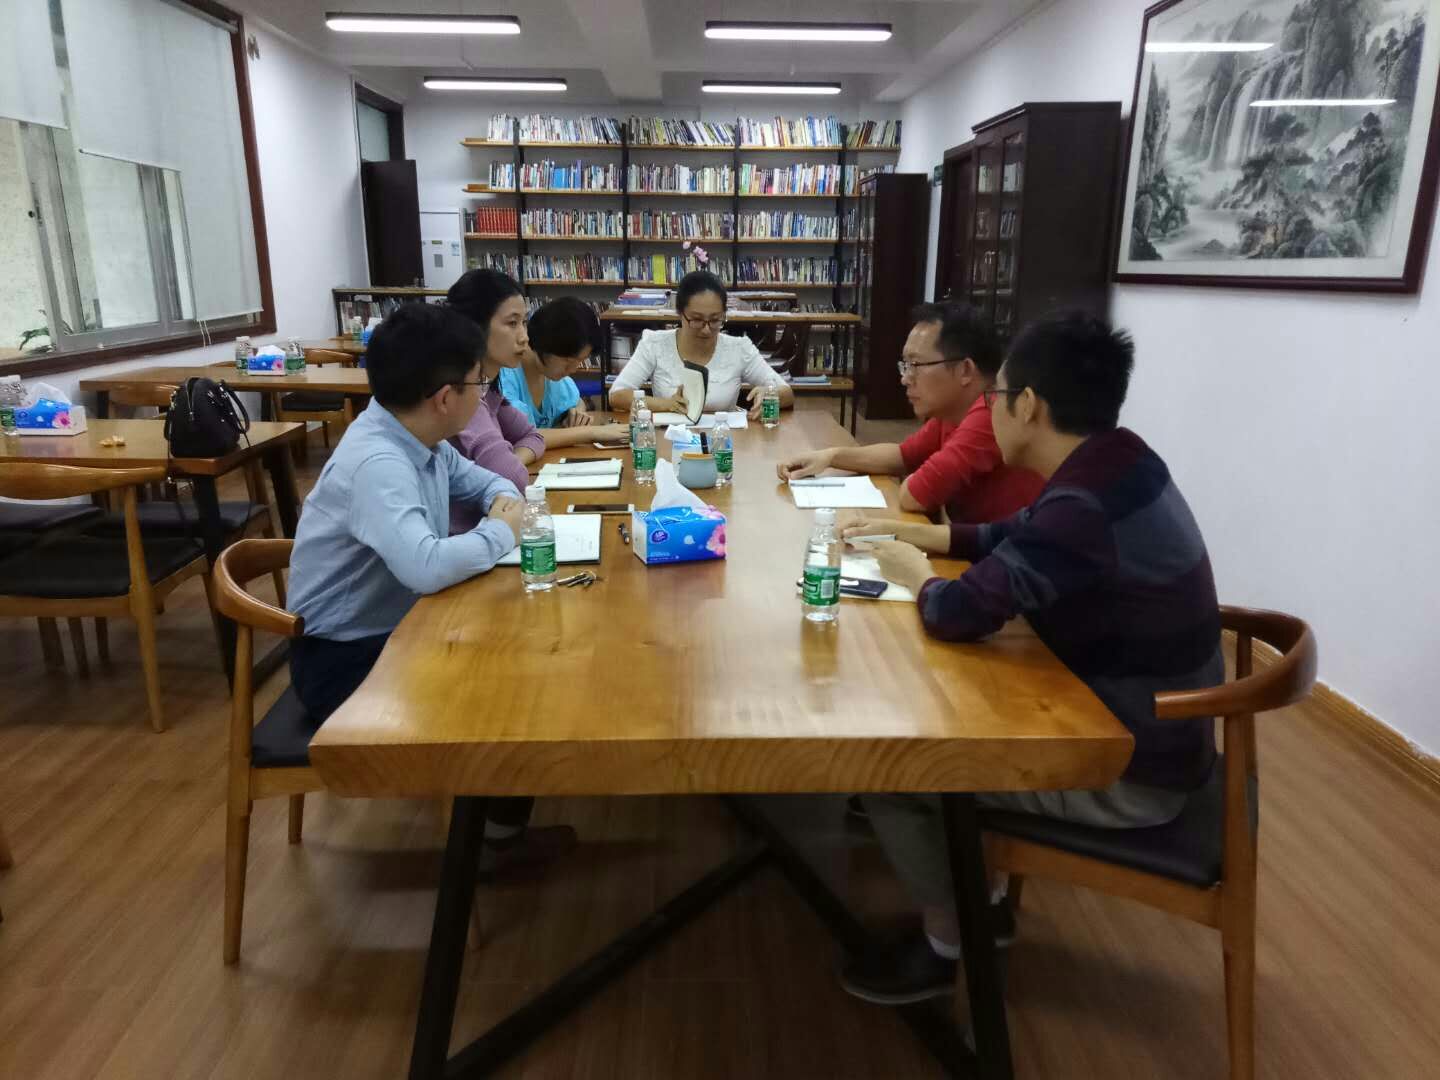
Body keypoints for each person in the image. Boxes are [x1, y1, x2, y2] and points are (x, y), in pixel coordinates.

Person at [839, 312, 1224, 1005]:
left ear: (1029, 406)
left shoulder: (1082, 505)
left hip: (1125, 767)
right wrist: (923, 537)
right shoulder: (1120, 460)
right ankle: (980, 902)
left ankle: (949, 943)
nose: (987, 409)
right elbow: (1019, 533)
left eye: (996, 395)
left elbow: (956, 613)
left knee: (892, 767)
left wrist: (912, 573)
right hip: (1151, 729)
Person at [285, 301, 574, 874]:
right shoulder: (379, 461)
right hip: (342, 659)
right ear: (445, 397)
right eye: (479, 384)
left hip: (393, 630)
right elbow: (425, 566)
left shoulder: (420, 438)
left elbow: (491, 482)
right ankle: (487, 842)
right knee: (509, 678)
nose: (483, 395)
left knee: (517, 647)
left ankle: (494, 819)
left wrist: (501, 504)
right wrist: (502, 529)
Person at [777, 303, 1043, 541]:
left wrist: (923, 479)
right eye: (905, 365)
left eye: (916, 365)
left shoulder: (991, 414)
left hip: (1010, 562)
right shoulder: (952, 412)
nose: (905, 378)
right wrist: (830, 456)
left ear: (965, 370)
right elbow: (902, 455)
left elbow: (914, 494)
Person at [609, 270, 795, 420]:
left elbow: (787, 393)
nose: (706, 330)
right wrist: (665, 404)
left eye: (715, 320)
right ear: (680, 314)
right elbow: (617, 395)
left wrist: (770, 393)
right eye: (697, 320)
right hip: (669, 439)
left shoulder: (739, 348)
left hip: (724, 441)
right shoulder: (655, 344)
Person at [445, 269, 547, 531]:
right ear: (475, 326)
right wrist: (504, 466)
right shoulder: (461, 393)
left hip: (483, 527)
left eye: (524, 323)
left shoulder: (487, 390)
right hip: (459, 534)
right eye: (512, 324)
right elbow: (513, 478)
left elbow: (533, 436)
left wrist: (508, 460)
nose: (524, 337)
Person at [501, 297, 629, 449]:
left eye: (580, 361)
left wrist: (576, 413)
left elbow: (577, 401)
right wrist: (590, 432)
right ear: (547, 345)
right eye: (568, 361)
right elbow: (522, 436)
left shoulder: (550, 374)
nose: (573, 369)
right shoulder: (504, 376)